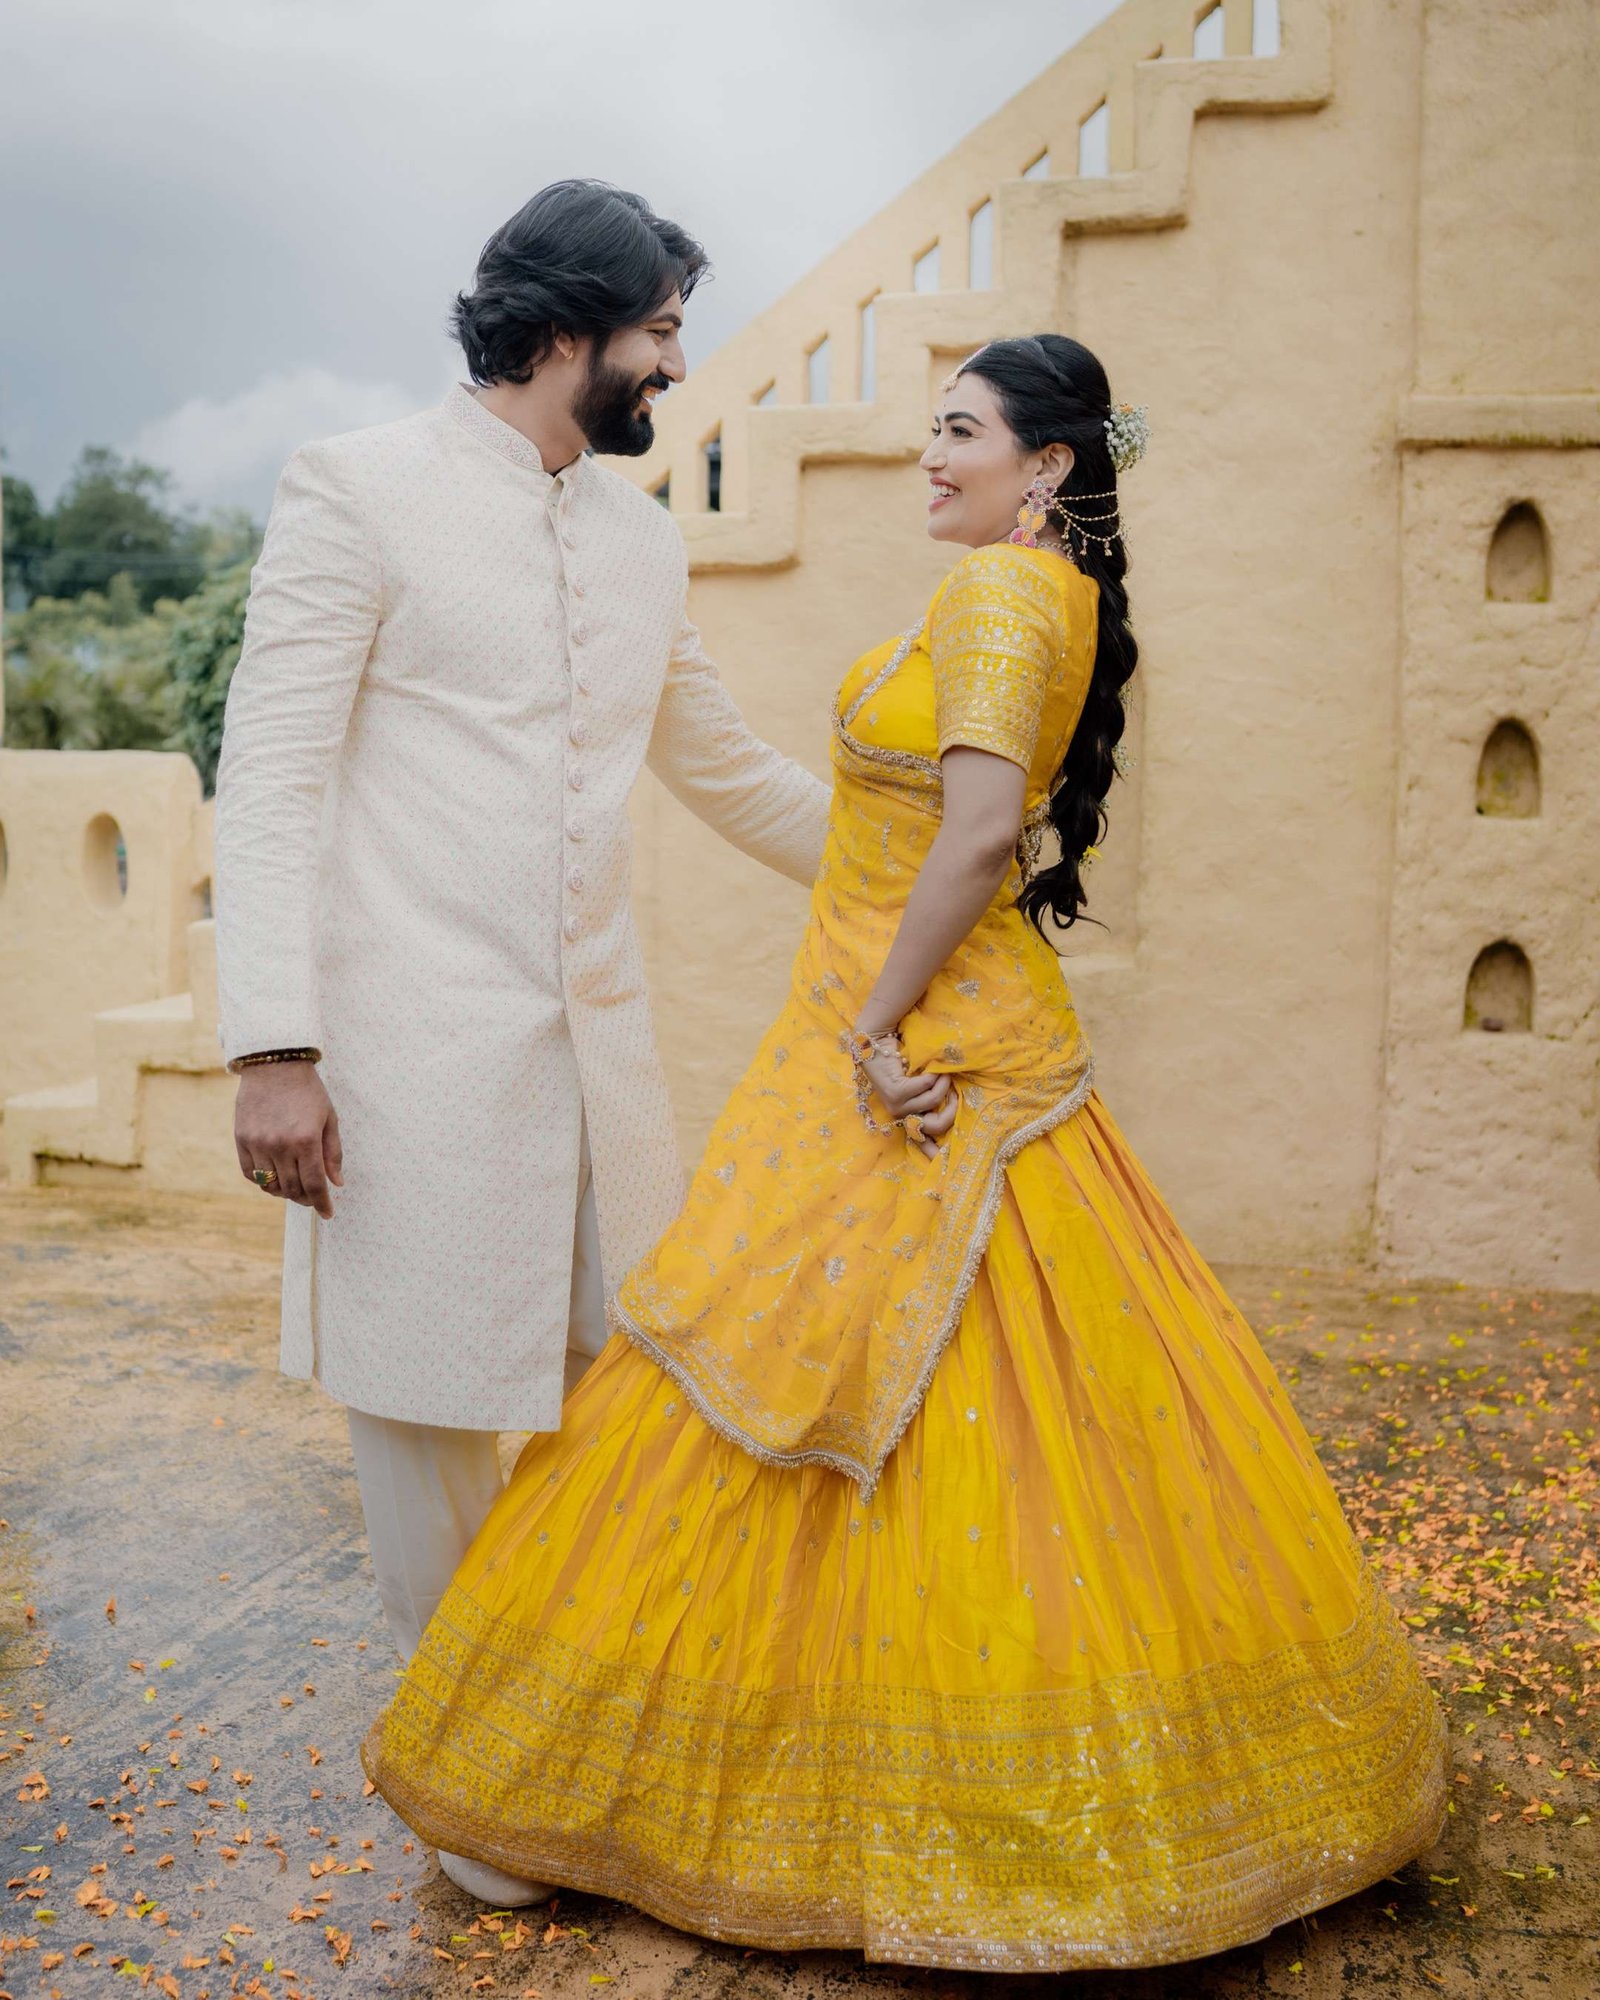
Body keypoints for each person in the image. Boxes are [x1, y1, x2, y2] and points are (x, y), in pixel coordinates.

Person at [361, 335, 1448, 1970]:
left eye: (960, 430)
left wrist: (872, 1028)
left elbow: (980, 834)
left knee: (915, 1396)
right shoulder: (1037, 592)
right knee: (954, 1403)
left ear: (1048, 466)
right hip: (933, 1040)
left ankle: (845, 1800)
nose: (929, 456)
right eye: (932, 428)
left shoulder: (1002, 593)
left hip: (930, 1066)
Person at [212, 181, 830, 1903]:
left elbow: (727, 770)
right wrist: (272, 1048)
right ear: (565, 330)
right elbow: (271, 778)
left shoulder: (641, 539)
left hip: (598, 1067)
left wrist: (945, 854)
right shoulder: (358, 488)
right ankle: (485, 1786)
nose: (678, 365)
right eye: (661, 332)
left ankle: (569, 1741)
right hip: (400, 1063)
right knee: (422, 1419)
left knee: (620, 1404)